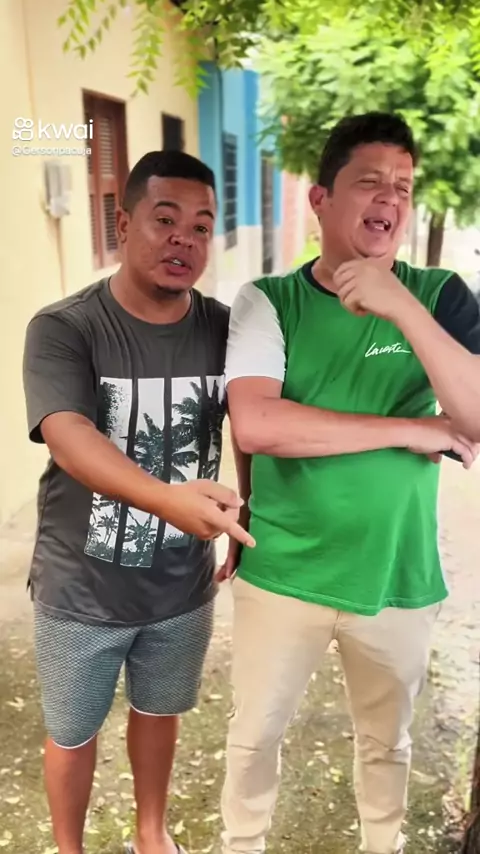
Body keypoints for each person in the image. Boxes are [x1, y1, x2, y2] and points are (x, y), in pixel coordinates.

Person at [218, 112, 480, 854]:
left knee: (388, 743)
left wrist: (401, 306)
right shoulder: (269, 300)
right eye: (369, 182)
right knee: (253, 736)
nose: (390, 198)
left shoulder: (441, 296)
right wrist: (411, 428)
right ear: (321, 199)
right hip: (283, 568)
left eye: (403, 186)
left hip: (398, 573)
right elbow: (258, 424)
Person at [22, 149, 254, 854]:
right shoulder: (66, 327)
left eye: (201, 226)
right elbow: (68, 436)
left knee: (159, 711)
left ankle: (151, 834)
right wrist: (168, 500)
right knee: (72, 732)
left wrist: (245, 506)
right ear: (123, 224)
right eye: (165, 219)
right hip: (81, 588)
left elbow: (249, 420)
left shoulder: (224, 328)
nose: (184, 239)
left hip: (180, 583)